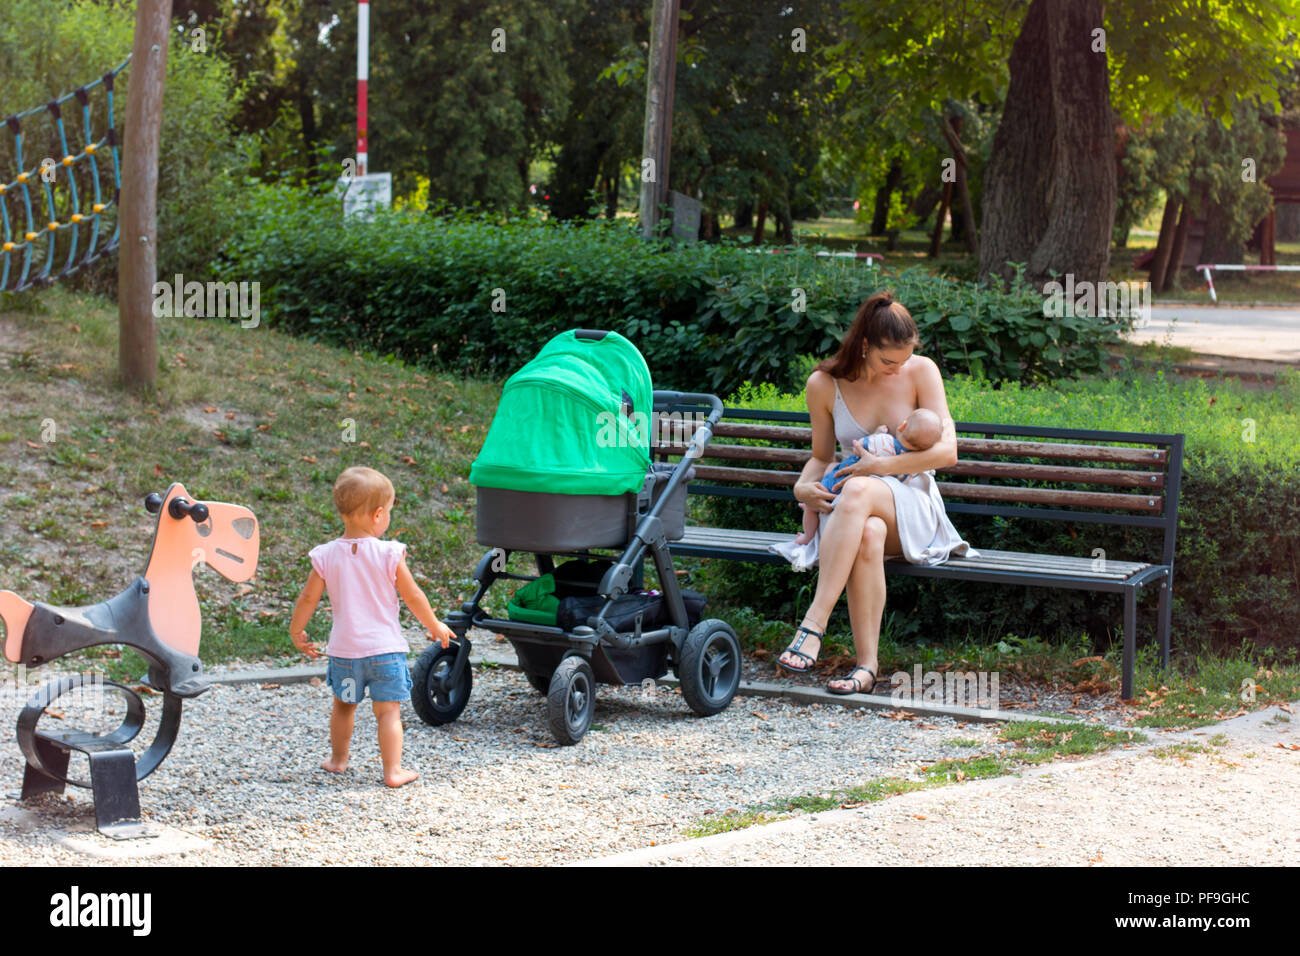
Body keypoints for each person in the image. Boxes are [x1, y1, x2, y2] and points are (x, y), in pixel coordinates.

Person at [773, 291, 976, 694]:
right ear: (864, 345)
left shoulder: (922, 372)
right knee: (868, 533)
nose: (897, 369)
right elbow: (820, 457)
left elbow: (947, 451)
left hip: (912, 506)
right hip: (854, 513)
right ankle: (866, 668)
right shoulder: (823, 384)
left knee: (861, 489)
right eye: (888, 361)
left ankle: (814, 623)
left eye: (904, 359)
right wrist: (801, 487)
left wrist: (879, 467)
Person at [290, 466, 456, 787]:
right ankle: (392, 772)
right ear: (378, 515)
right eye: (390, 511)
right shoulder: (389, 553)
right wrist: (434, 624)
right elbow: (412, 595)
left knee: (344, 706)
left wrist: (297, 631)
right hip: (385, 653)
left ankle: (338, 760)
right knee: (388, 712)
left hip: (346, 655)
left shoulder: (325, 555)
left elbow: (308, 598)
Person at [790, 408, 943, 547]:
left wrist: (876, 434)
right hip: (874, 499)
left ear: (902, 426)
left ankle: (808, 536)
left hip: (844, 485)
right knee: (871, 530)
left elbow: (859, 447)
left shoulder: (884, 441)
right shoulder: (913, 465)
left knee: (813, 504)